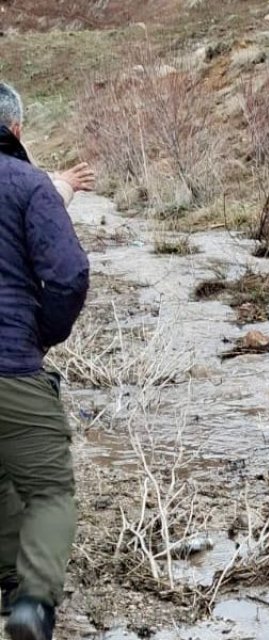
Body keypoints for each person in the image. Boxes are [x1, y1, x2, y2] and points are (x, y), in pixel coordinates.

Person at [0, 82, 91, 640]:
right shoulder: (29, 184)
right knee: (49, 490)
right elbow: (69, 275)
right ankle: (31, 604)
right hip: (12, 365)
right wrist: (42, 336)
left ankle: (11, 578)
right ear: (16, 130)